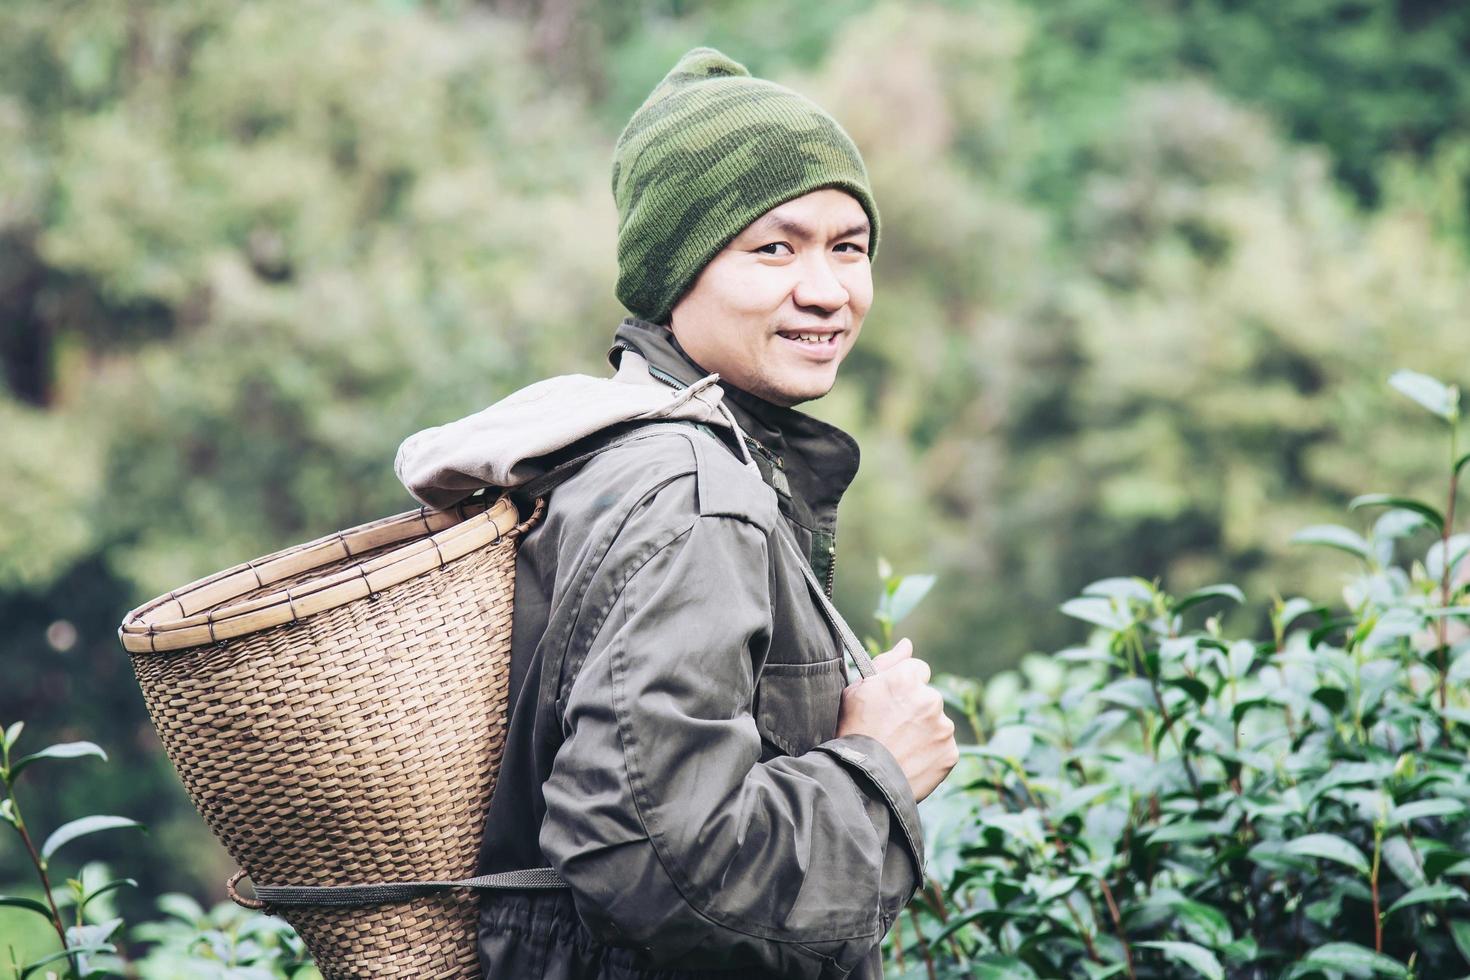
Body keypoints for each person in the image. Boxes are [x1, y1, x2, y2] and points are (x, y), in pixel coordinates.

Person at [397, 45, 958, 979]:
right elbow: (656, 858)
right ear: (678, 268)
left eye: (848, 247)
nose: (827, 291)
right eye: (773, 247)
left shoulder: (601, 455)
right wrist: (876, 767)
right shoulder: (698, 501)